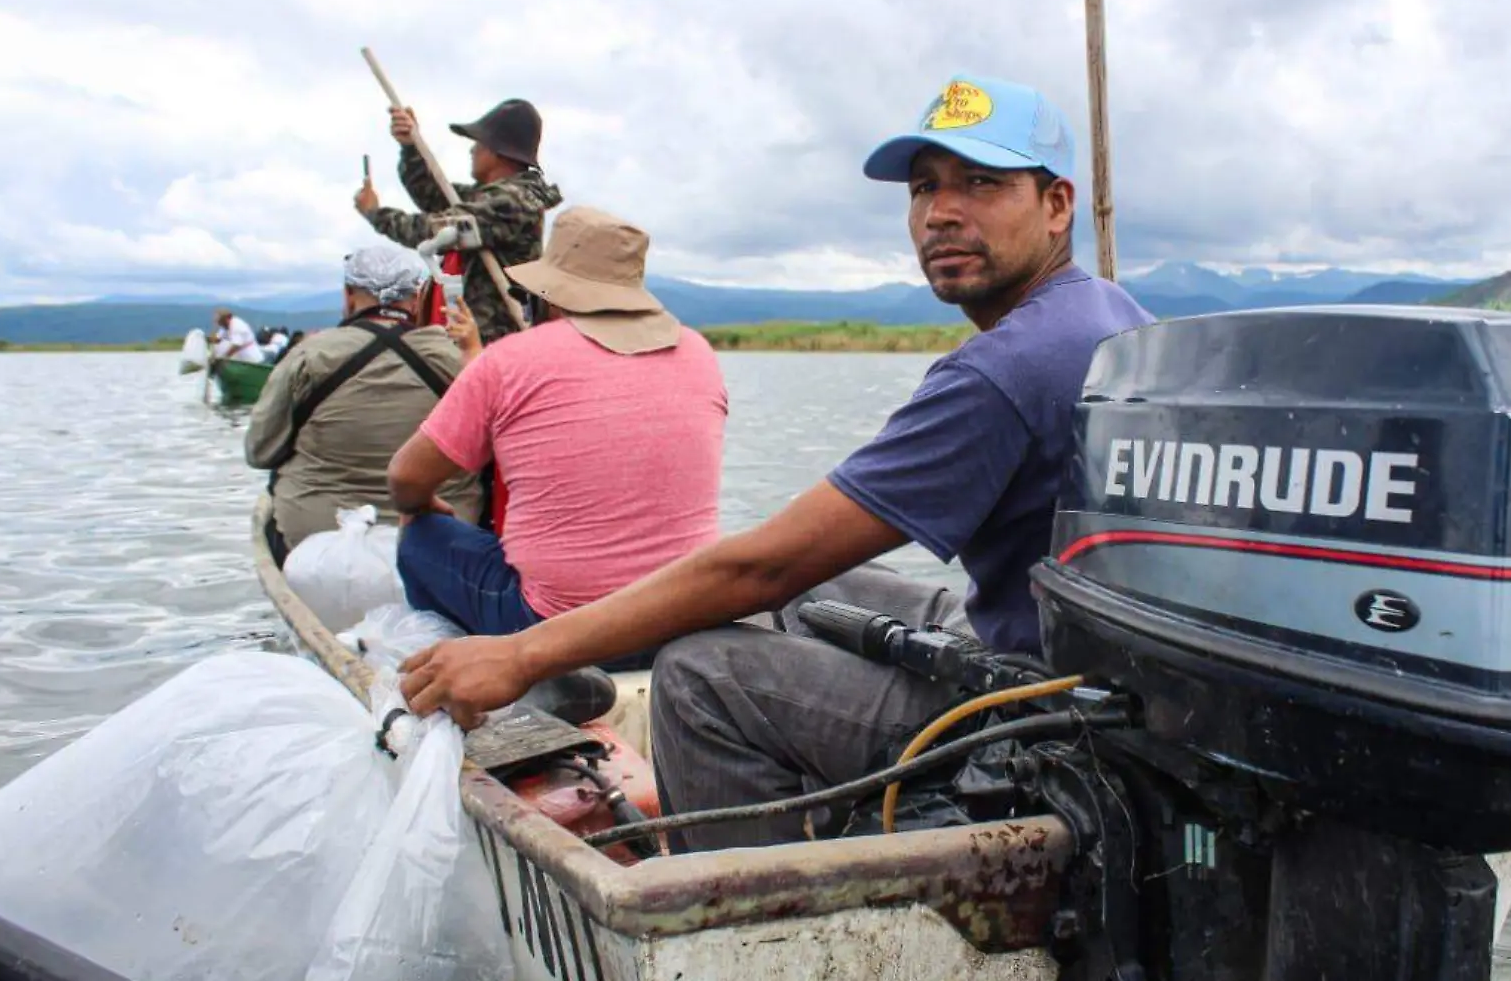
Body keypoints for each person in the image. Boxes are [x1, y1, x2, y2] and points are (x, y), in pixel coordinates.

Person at [395, 74, 1156, 851]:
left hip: (1036, 718)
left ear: (1058, 204)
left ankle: (767, 917)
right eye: (925, 187)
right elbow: (786, 567)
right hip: (1084, 666)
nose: (940, 213)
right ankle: (828, 805)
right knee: (814, 589)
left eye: (982, 183)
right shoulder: (1109, 314)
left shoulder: (1002, 368)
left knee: (700, 676)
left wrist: (520, 653)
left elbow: (759, 569)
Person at [386, 205, 728, 673]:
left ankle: (465, 662)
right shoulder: (698, 353)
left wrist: (423, 504)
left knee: (421, 537)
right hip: (682, 618)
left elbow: (404, 479)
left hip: (554, 628)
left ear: (550, 296)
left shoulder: (509, 359)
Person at [245, 246, 483, 564]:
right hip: (441, 543)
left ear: (348, 296)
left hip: (317, 542)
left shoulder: (307, 356)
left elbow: (260, 452)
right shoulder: (459, 360)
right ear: (416, 298)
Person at [355, 98, 564, 346]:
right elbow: (433, 194)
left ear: (498, 151)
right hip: (481, 339)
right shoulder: (496, 197)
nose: (472, 151)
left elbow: (434, 232)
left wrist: (375, 213)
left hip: (495, 343)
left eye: (478, 143)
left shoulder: (511, 202)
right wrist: (411, 147)